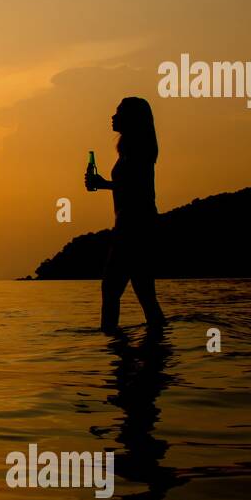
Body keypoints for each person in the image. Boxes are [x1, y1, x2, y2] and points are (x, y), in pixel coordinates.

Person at [85, 95, 166, 334]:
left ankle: (115, 349)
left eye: (119, 112)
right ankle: (156, 349)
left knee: (111, 289)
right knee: (144, 293)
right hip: (138, 223)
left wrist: (103, 183)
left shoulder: (139, 148)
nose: (113, 116)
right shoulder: (132, 148)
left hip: (134, 224)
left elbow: (137, 187)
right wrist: (105, 184)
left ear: (132, 118)